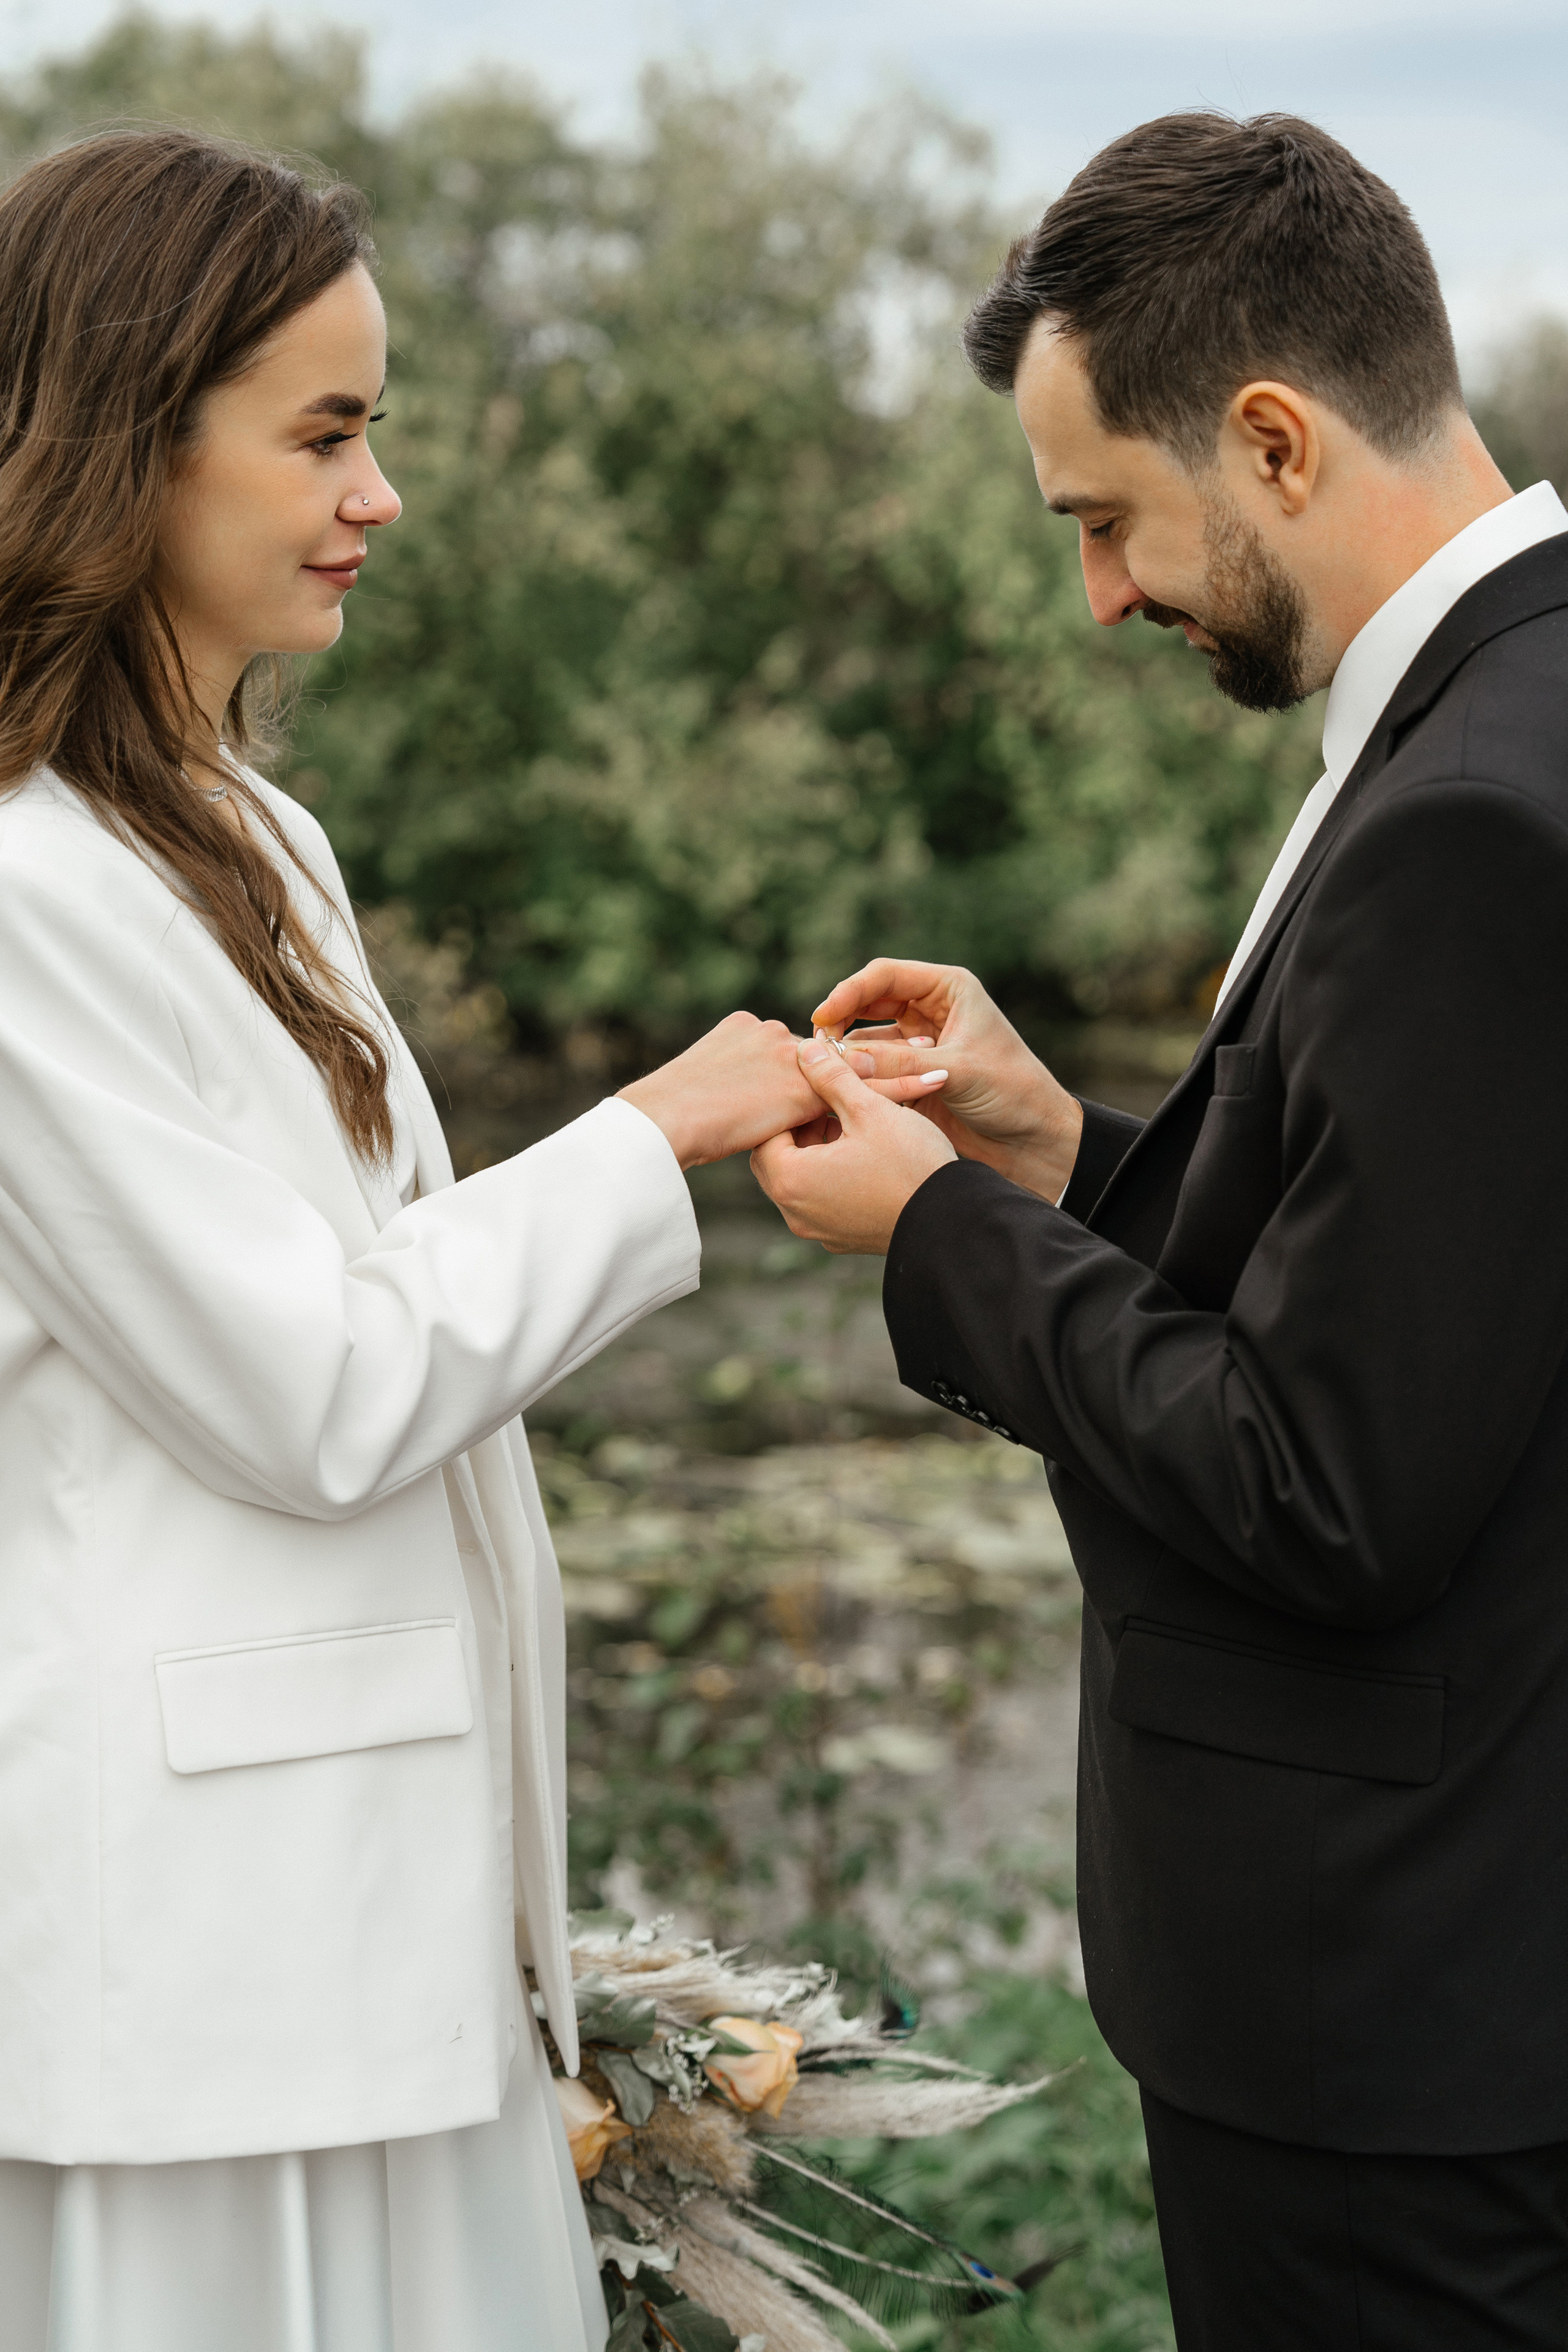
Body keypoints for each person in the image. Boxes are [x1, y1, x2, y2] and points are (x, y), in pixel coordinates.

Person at [752, 111, 1568, 2348]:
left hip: (1397, 2034)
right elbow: (1437, 1287)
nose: (1101, 595)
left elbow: (1333, 1489)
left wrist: (940, 1236)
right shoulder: (1511, 720)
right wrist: (1056, 1153)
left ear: (1278, 440)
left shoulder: (1476, 818)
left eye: (1105, 521)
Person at [0, 129, 821, 2350]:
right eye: (328, 435)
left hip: (386, 1937)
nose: (381, 495)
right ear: (121, 447)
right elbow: (321, 1388)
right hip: (188, 1996)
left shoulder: (254, 833)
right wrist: (656, 1136)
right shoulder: (21, 891)